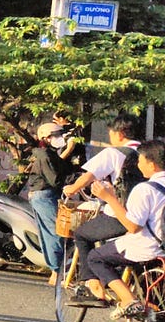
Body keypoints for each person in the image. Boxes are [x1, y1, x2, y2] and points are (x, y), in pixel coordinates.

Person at [79, 139, 165, 322]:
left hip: (147, 247)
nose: (138, 164)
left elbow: (133, 226)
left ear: (151, 163)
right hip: (162, 250)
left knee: (95, 257)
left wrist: (109, 198)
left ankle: (128, 300)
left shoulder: (145, 189)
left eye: (141, 160)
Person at [61, 114, 144, 271]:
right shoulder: (149, 151)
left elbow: (88, 177)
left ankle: (91, 281)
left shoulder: (114, 153)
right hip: (150, 213)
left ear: (119, 134)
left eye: (111, 133)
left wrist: (71, 189)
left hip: (121, 213)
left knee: (81, 235)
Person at [25, 121, 74, 277]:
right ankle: (56, 271)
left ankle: (56, 269)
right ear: (46, 138)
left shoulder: (48, 153)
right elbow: (55, 179)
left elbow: (64, 170)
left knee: (52, 232)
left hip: (45, 194)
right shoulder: (45, 155)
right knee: (55, 232)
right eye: (56, 135)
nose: (60, 138)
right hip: (44, 194)